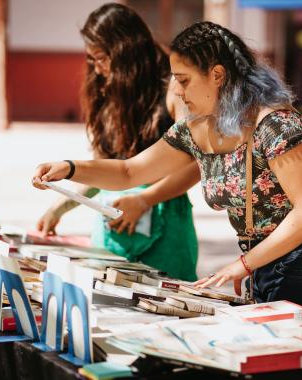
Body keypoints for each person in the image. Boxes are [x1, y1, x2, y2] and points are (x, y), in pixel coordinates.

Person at [33, 20, 302, 314]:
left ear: (217, 75)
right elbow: (130, 172)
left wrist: (243, 265)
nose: (176, 91)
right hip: (264, 260)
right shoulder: (196, 129)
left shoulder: (276, 124)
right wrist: (70, 167)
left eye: (184, 79)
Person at [36, 3, 200, 281]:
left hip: (166, 226)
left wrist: (146, 199)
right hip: (112, 228)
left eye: (101, 58)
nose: (98, 69)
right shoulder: (105, 89)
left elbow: (197, 164)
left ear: (126, 50)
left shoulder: (173, 89)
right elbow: (107, 168)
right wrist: (61, 207)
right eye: (92, 60)